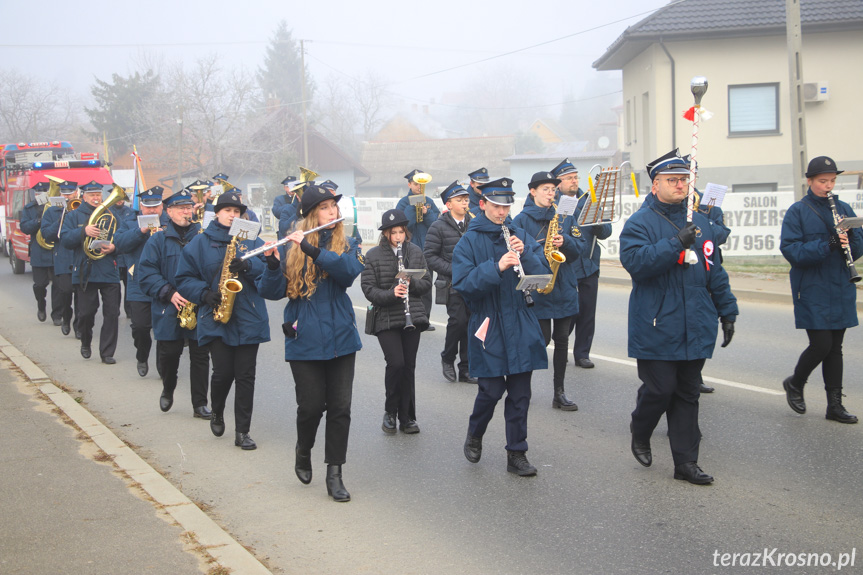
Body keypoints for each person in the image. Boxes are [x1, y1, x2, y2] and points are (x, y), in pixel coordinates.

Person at [619, 149, 738, 485]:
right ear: (655, 185)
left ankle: (686, 462)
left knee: (687, 392)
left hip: (696, 320)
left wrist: (727, 310)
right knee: (659, 389)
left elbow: (715, 271)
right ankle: (640, 429)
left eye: (685, 180)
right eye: (673, 180)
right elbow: (638, 265)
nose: (681, 185)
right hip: (657, 321)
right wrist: (675, 243)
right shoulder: (640, 223)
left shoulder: (701, 223)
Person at [258, 185, 364, 502]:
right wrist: (273, 264)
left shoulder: (350, 243)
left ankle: (335, 473)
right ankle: (303, 450)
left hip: (342, 336)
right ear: (310, 214)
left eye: (334, 206)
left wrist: (312, 250)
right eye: (324, 207)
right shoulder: (291, 245)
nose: (332, 212)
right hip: (303, 335)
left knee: (341, 409)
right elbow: (272, 291)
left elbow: (348, 272)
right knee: (311, 407)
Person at [453, 178, 550, 477]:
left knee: (521, 395)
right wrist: (496, 267)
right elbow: (464, 285)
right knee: (491, 391)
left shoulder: (519, 233)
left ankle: (516, 453)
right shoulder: (468, 241)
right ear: (482, 204)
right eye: (496, 206)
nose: (501, 212)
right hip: (488, 322)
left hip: (520, 320)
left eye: (506, 207)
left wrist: (528, 254)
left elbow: (543, 276)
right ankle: (475, 432)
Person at [175, 191, 270, 450]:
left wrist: (250, 267)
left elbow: (268, 272)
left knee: (246, 376)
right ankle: (216, 410)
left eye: (237, 211)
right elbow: (183, 278)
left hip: (249, 316)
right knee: (223, 374)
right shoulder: (200, 242)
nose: (233, 215)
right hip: (217, 317)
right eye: (228, 210)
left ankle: (243, 431)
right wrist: (204, 294)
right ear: (217, 213)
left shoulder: (251, 240)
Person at [779, 156, 862, 424]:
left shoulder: (844, 207)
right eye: (823, 181)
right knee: (821, 344)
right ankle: (796, 382)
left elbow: (857, 251)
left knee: (835, 347)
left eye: (832, 181)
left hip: (840, 285)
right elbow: (792, 252)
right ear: (810, 181)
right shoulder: (798, 211)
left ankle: (834, 406)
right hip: (812, 287)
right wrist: (828, 244)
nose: (828, 186)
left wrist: (852, 238)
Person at [137, 189, 212, 420]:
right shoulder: (157, 239)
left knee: (200, 356)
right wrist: (168, 293)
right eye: (180, 209)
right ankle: (168, 388)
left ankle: (199, 404)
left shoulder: (203, 237)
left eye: (189, 208)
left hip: (198, 304)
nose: (186, 212)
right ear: (168, 212)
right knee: (169, 354)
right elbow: (146, 273)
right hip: (170, 305)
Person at [513, 171, 583, 411]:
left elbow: (579, 249)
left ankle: (559, 393)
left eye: (553, 189)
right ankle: (522, 389)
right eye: (545, 189)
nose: (550, 194)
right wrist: (537, 248)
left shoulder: (564, 217)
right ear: (533, 191)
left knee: (562, 340)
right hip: (537, 286)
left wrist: (567, 243)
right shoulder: (521, 220)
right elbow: (515, 254)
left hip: (562, 285)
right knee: (539, 340)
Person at [362, 209, 431, 435]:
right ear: (386, 234)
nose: (398, 237)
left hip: (413, 316)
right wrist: (392, 294)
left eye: (401, 232)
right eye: (393, 233)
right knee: (396, 364)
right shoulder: (372, 256)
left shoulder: (415, 252)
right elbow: (369, 290)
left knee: (408, 367)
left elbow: (426, 284)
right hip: (386, 317)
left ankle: (408, 417)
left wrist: (411, 283)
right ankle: (390, 411)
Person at [552, 158, 612, 370]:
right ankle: (560, 347)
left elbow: (606, 232)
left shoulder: (590, 199)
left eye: (576, 177)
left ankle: (582, 353)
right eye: (569, 178)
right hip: (567, 267)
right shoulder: (553, 202)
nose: (574, 181)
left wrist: (596, 223)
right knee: (569, 313)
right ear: (558, 182)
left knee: (587, 313)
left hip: (588, 265)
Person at [61, 181, 122, 364]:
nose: (96, 198)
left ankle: (107, 352)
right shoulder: (74, 216)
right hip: (85, 271)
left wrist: (114, 247)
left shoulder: (111, 214)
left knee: (112, 313)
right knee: (86, 313)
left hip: (108, 270)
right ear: (84, 196)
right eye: (92, 195)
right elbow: (65, 240)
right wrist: (83, 231)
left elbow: (123, 237)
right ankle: (86, 341)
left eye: (98, 194)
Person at [424, 181, 476, 383]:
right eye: (459, 200)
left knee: (471, 324)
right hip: (451, 283)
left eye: (466, 199)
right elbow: (430, 255)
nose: (464, 203)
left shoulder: (474, 223)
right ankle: (447, 357)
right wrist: (454, 271)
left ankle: (466, 368)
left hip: (473, 283)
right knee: (458, 322)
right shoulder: (438, 226)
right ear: (449, 204)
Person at [112, 186, 164, 377]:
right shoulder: (130, 223)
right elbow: (119, 244)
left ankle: (162, 366)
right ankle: (142, 356)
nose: (152, 211)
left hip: (165, 283)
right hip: (139, 283)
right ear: (141, 206)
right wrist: (141, 231)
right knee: (141, 327)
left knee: (164, 330)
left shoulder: (170, 222)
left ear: (162, 206)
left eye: (156, 207)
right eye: (148, 207)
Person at [396, 169, 440, 329]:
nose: (419, 187)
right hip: (409, 251)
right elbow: (403, 225)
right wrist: (414, 210)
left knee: (426, 287)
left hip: (427, 251)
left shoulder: (429, 201)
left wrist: (426, 213)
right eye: (416, 184)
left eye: (422, 184)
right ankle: (407, 318)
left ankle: (424, 320)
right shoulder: (403, 202)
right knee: (409, 285)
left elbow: (436, 223)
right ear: (409, 184)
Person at [40, 180, 81, 337]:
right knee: (64, 292)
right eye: (64, 193)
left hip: (79, 257)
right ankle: (66, 317)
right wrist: (60, 220)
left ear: (76, 193)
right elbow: (47, 234)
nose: (67, 196)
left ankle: (78, 325)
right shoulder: (51, 211)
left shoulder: (81, 209)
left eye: (70, 193)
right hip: (63, 257)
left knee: (80, 294)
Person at [19, 182, 58, 324]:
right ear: (35, 194)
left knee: (59, 286)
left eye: (45, 191)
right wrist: (39, 220)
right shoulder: (30, 208)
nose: (42, 194)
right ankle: (41, 305)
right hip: (39, 251)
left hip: (55, 250)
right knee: (40, 285)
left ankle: (57, 314)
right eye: (39, 192)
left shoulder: (56, 206)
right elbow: (24, 227)